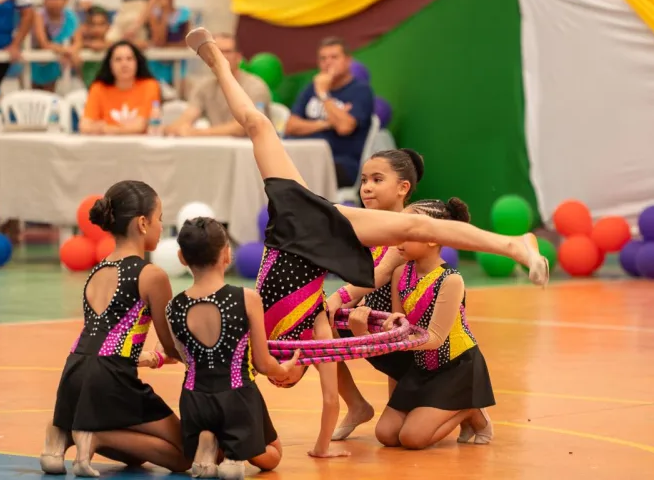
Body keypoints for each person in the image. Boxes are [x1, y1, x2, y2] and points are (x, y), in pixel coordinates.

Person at [184, 26, 547, 457]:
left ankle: (515, 244)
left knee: (259, 126)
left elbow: (226, 364)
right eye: (287, 378)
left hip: (288, 225)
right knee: (416, 229)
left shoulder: (254, 334)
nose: (282, 378)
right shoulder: (311, 330)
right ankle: (220, 64)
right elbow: (323, 394)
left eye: (279, 379)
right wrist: (319, 445)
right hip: (315, 237)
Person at [39, 180, 190, 477]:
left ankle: (62, 435)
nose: (161, 226)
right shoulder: (152, 275)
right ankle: (94, 435)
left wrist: (152, 356)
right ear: (143, 223)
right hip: (112, 377)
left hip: (74, 371)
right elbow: (173, 345)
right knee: (187, 455)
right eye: (160, 218)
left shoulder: (97, 270)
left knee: (134, 458)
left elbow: (105, 334)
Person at [165, 217, 300, 478]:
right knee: (272, 455)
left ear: (182, 257)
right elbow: (262, 363)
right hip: (237, 396)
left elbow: (185, 357)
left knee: (213, 424)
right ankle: (234, 454)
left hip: (195, 400)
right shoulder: (246, 298)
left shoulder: (173, 307)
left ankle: (211, 442)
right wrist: (284, 369)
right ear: (227, 254)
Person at [375, 198, 495, 450]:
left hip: (456, 366)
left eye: (408, 233)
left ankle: (471, 408)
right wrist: (382, 329)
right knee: (386, 434)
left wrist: (397, 342)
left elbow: (435, 338)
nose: (399, 239)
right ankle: (448, 409)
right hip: (422, 366)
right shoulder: (401, 272)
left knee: (412, 438)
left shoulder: (450, 280)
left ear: (431, 238)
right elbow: (400, 324)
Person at [327, 148, 424, 441]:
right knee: (317, 326)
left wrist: (337, 298)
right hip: (382, 327)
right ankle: (356, 404)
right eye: (364, 180)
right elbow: (359, 282)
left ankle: (467, 408)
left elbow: (378, 275)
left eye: (377, 179)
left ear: (402, 188)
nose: (366, 187)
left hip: (415, 336)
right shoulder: (366, 230)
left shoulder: (411, 228)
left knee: (393, 436)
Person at [285, 37, 374, 187]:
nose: (328, 62)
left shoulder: (360, 91)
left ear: (348, 61)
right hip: (305, 156)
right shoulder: (310, 87)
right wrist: (327, 123)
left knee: (292, 174)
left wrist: (323, 94)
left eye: (334, 57)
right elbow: (291, 126)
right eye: (323, 58)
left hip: (339, 163)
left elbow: (344, 127)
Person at [162, 33, 271, 138]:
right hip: (219, 149)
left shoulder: (255, 86)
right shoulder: (205, 87)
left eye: (227, 51)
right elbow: (186, 118)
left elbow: (245, 127)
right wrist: (171, 129)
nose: (221, 56)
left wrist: (197, 133)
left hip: (251, 151)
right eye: (216, 51)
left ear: (238, 56)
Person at [80, 40, 161, 135]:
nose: (124, 64)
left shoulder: (150, 86)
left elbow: (139, 127)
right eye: (118, 59)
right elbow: (84, 126)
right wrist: (123, 129)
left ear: (137, 63)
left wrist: (104, 128)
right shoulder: (98, 88)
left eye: (129, 59)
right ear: (109, 64)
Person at [31, 0, 82, 92]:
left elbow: (78, 42)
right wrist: (66, 51)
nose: (54, 1)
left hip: (58, 62)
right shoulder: (39, 16)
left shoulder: (71, 16)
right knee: (37, 93)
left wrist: (72, 51)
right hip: (38, 63)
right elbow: (44, 43)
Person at [146, 0, 191, 85]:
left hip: (177, 66)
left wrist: (167, 46)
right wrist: (165, 13)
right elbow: (159, 41)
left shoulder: (184, 13)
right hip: (156, 67)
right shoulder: (153, 14)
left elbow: (187, 42)